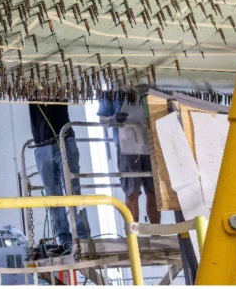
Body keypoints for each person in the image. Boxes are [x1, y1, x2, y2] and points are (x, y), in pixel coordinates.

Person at [29, 104, 91, 254]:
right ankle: (64, 240)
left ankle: (82, 238)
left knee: (73, 191)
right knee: (53, 196)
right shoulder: (30, 93)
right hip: (42, 145)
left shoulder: (56, 86)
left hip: (64, 140)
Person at [98, 95, 159, 225]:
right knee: (132, 192)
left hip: (149, 142)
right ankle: (133, 237)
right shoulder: (111, 92)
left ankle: (156, 233)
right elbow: (102, 121)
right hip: (126, 145)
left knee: (154, 191)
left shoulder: (145, 90)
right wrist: (112, 119)